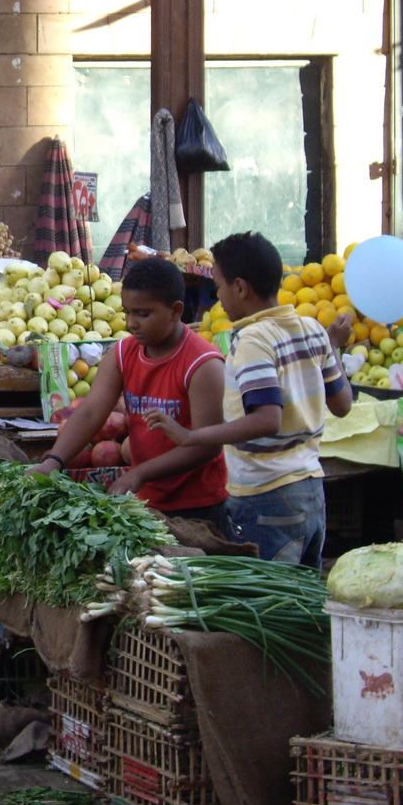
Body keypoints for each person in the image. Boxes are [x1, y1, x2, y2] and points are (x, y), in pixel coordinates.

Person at [144, 232, 353, 566]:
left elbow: (267, 418)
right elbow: (343, 405)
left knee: (268, 608)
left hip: (266, 496)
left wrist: (190, 436)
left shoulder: (253, 339)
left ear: (240, 288)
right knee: (300, 604)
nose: (217, 295)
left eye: (221, 285)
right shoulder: (314, 330)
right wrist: (333, 347)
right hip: (311, 491)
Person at [30, 257, 229, 528]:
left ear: (176, 311)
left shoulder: (203, 364)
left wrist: (141, 473)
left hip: (199, 506)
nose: (132, 323)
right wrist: (54, 460)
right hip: (146, 501)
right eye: (128, 312)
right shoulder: (123, 353)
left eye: (143, 314)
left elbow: (207, 445)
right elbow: (90, 413)